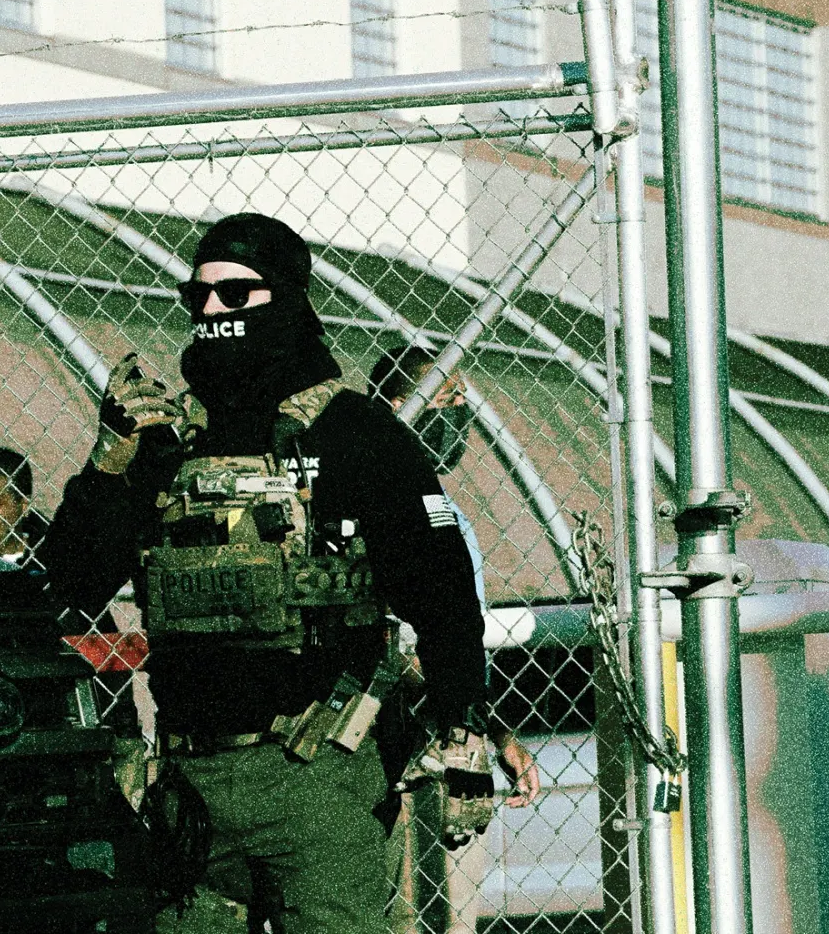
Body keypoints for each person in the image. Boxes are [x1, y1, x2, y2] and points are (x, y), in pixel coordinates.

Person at [41, 213, 492, 934]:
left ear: (284, 296)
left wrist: (465, 731)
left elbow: (443, 594)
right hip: (188, 791)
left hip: (318, 776)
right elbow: (61, 592)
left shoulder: (357, 434)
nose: (212, 312)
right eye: (199, 298)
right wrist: (105, 467)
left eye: (236, 295)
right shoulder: (160, 441)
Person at [370, 346, 543, 811]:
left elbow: (456, 640)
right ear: (397, 407)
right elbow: (399, 643)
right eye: (446, 401)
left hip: (431, 731)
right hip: (376, 733)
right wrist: (471, 726)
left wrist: (486, 728)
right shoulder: (377, 502)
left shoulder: (446, 510)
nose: (459, 416)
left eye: (463, 402)